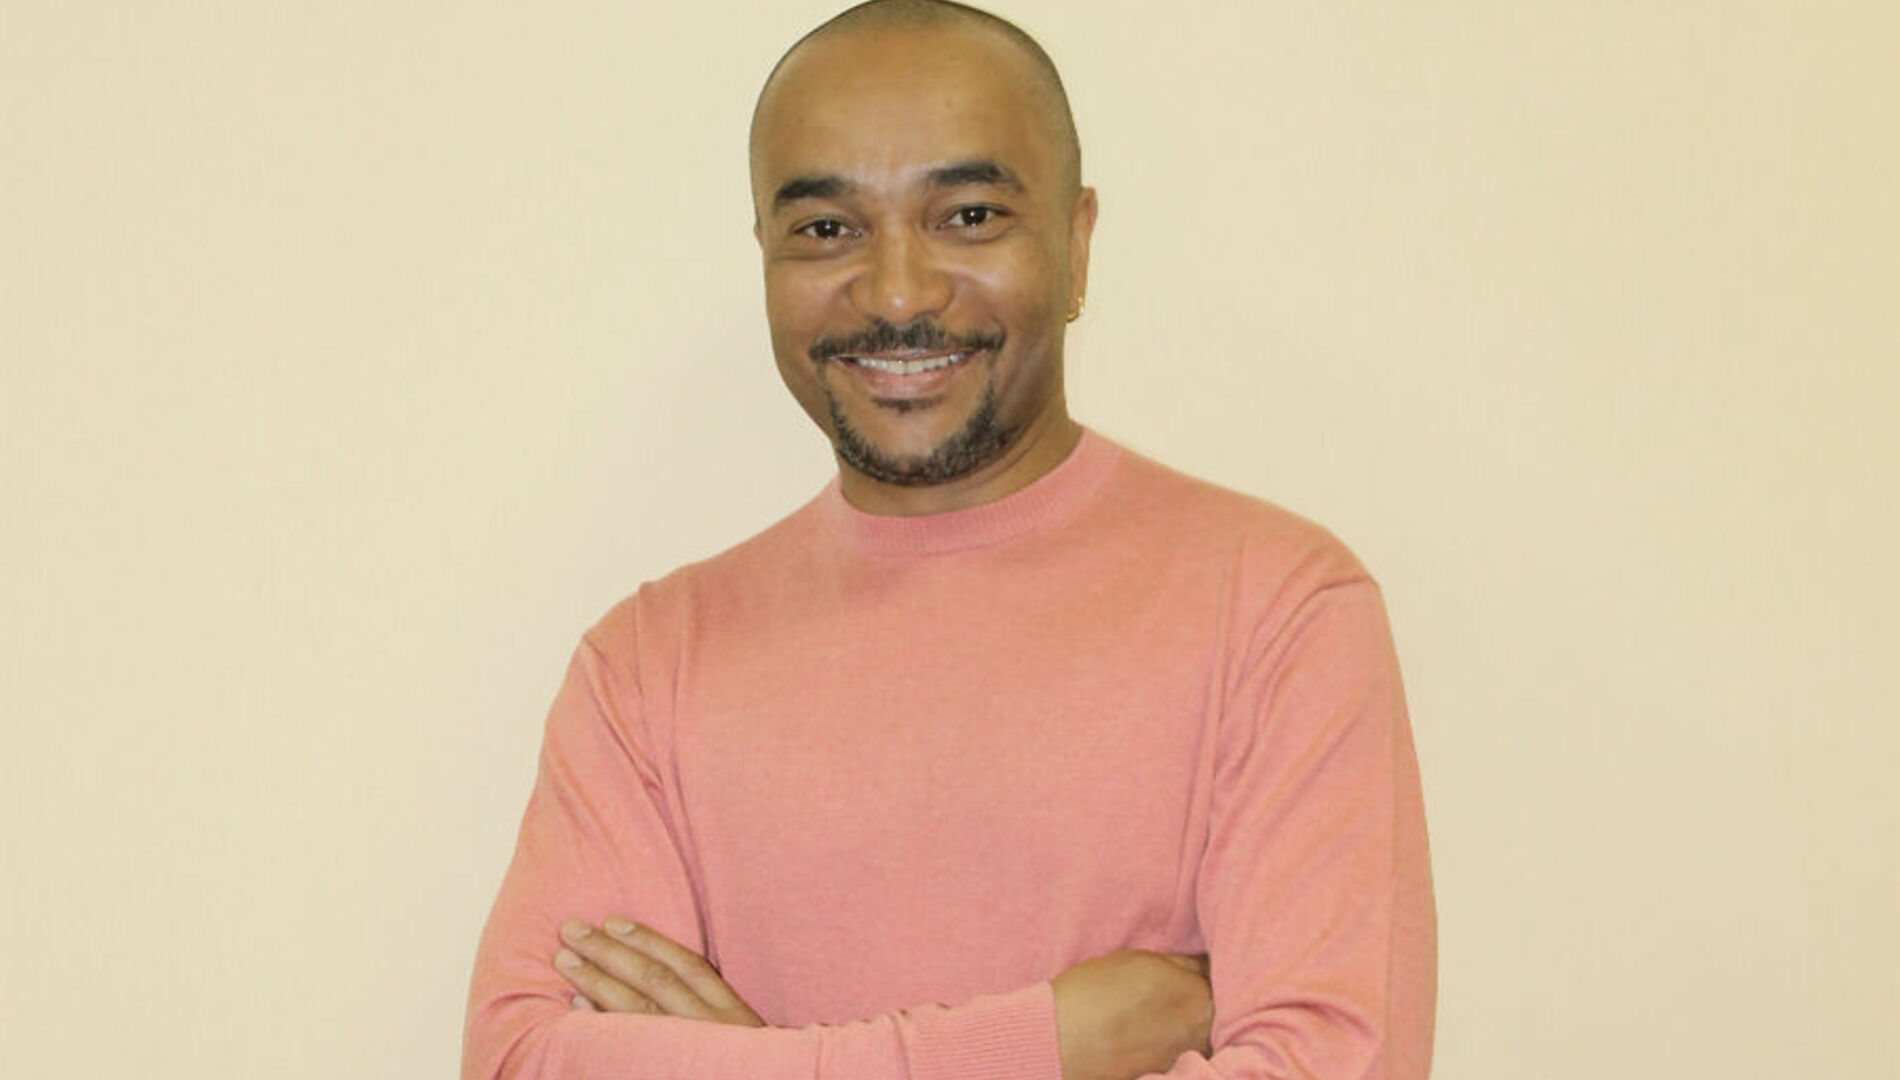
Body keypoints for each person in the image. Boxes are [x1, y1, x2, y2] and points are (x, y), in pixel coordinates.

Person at [463, 2, 1436, 1077]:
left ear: (1075, 244)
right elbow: (521, 1060)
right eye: (826, 230)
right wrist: (1050, 1043)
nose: (897, 292)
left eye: (969, 216)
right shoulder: (648, 666)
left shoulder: (1278, 610)